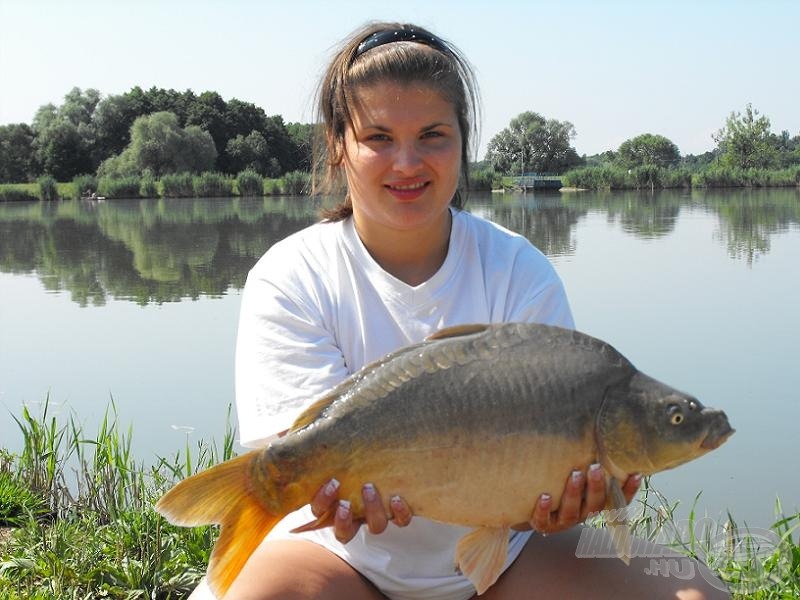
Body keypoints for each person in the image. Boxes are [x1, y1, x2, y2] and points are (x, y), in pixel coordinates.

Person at [192, 22, 729, 600]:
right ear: (337, 146)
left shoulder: (518, 269)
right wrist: (320, 494)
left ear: (462, 142)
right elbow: (302, 447)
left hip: (508, 565)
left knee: (696, 591)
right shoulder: (291, 275)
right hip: (337, 561)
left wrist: (555, 509)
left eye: (432, 135)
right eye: (378, 137)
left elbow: (542, 499)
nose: (407, 161)